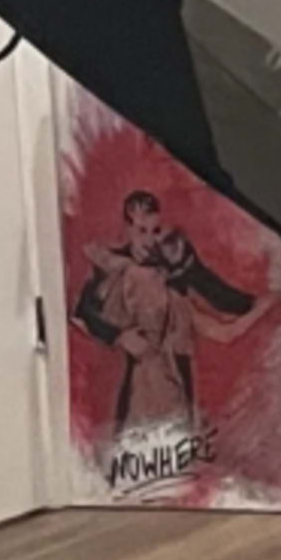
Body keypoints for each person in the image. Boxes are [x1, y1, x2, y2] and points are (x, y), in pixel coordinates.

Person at [73, 186, 257, 435]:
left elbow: (214, 294)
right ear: (127, 230)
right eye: (141, 231)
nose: (149, 240)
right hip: (143, 380)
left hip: (177, 374)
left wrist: (257, 304)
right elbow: (82, 312)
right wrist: (119, 336)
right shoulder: (113, 266)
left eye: (155, 230)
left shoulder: (172, 264)